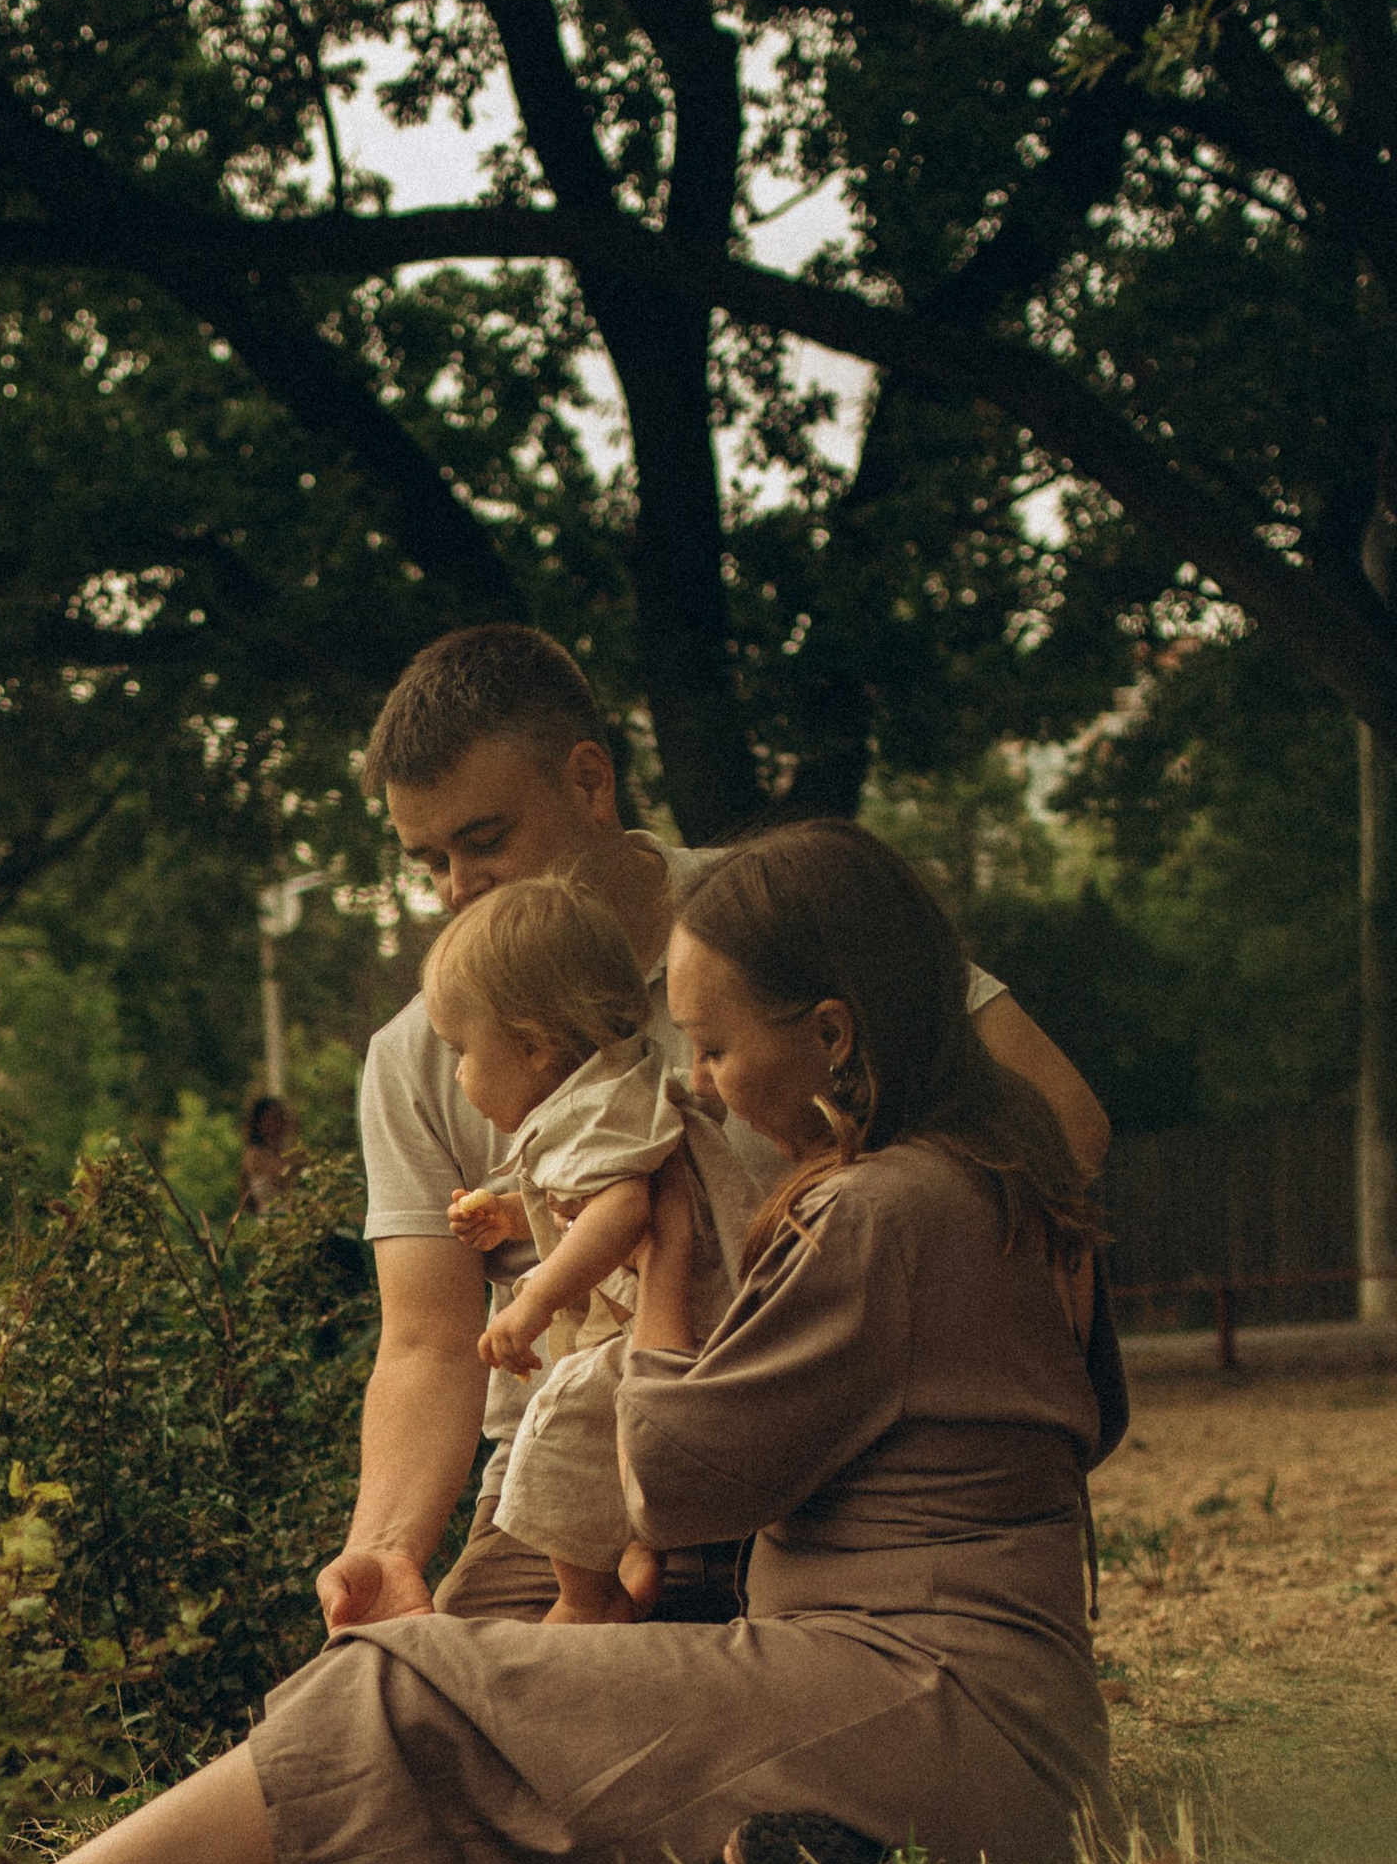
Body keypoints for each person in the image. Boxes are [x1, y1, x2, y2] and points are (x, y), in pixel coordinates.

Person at [0, 820, 1123, 1864]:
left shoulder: (884, 1208)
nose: (694, 1084)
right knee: (449, 1686)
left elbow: (669, 1481)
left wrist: (667, 1251)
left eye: (716, 1048)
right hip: (976, 1716)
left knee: (392, 1699)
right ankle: (786, 1859)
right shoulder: (990, 1172)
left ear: (829, 1035)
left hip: (930, 1710)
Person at [322, 627, 1113, 1637]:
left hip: (840, 1465)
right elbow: (431, 1340)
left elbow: (1059, 1124)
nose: (456, 890)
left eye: (483, 841)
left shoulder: (781, 911)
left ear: (589, 780)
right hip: (574, 1492)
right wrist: (385, 1547)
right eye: (428, 859)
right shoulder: (426, 1047)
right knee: (424, 1727)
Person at [420, 873, 750, 1622]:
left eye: (461, 1053)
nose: (460, 1076)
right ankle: (635, 1542)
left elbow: (623, 1207)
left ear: (534, 1048)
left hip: (678, 1336)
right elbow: (582, 1200)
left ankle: (587, 1595)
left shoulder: (591, 1112)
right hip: (686, 1325)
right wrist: (507, 1216)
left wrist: (534, 1302)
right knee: (594, 1420)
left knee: (558, 1421)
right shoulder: (612, 1089)